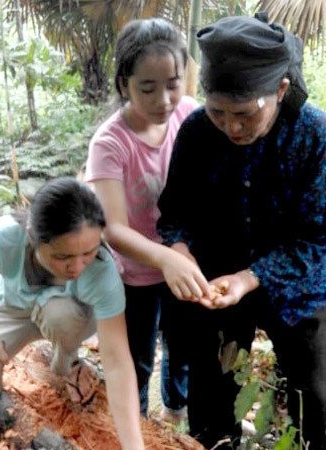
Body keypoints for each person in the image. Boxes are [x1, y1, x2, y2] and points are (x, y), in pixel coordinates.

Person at [157, 13, 326, 450]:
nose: (232, 127)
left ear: (280, 90)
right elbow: (174, 212)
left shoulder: (317, 136)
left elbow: (315, 241)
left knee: (315, 404)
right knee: (210, 394)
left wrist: (252, 276)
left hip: (297, 282)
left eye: (245, 113)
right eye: (219, 112)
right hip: (217, 281)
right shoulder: (197, 132)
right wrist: (178, 251)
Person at [0, 177, 180, 450]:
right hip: (12, 309)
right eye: (63, 256)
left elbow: (118, 362)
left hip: (71, 316)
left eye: (88, 252)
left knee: (62, 314)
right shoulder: (2, 238)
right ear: (34, 240)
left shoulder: (102, 273)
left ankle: (65, 360)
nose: (77, 267)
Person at [85, 18, 210, 420]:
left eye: (173, 84)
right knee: (137, 357)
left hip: (184, 262)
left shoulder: (190, 115)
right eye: (148, 88)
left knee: (183, 346)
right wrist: (163, 258)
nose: (164, 100)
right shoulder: (110, 143)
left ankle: (174, 411)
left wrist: (179, 256)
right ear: (124, 84)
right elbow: (114, 228)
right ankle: (137, 428)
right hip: (134, 275)